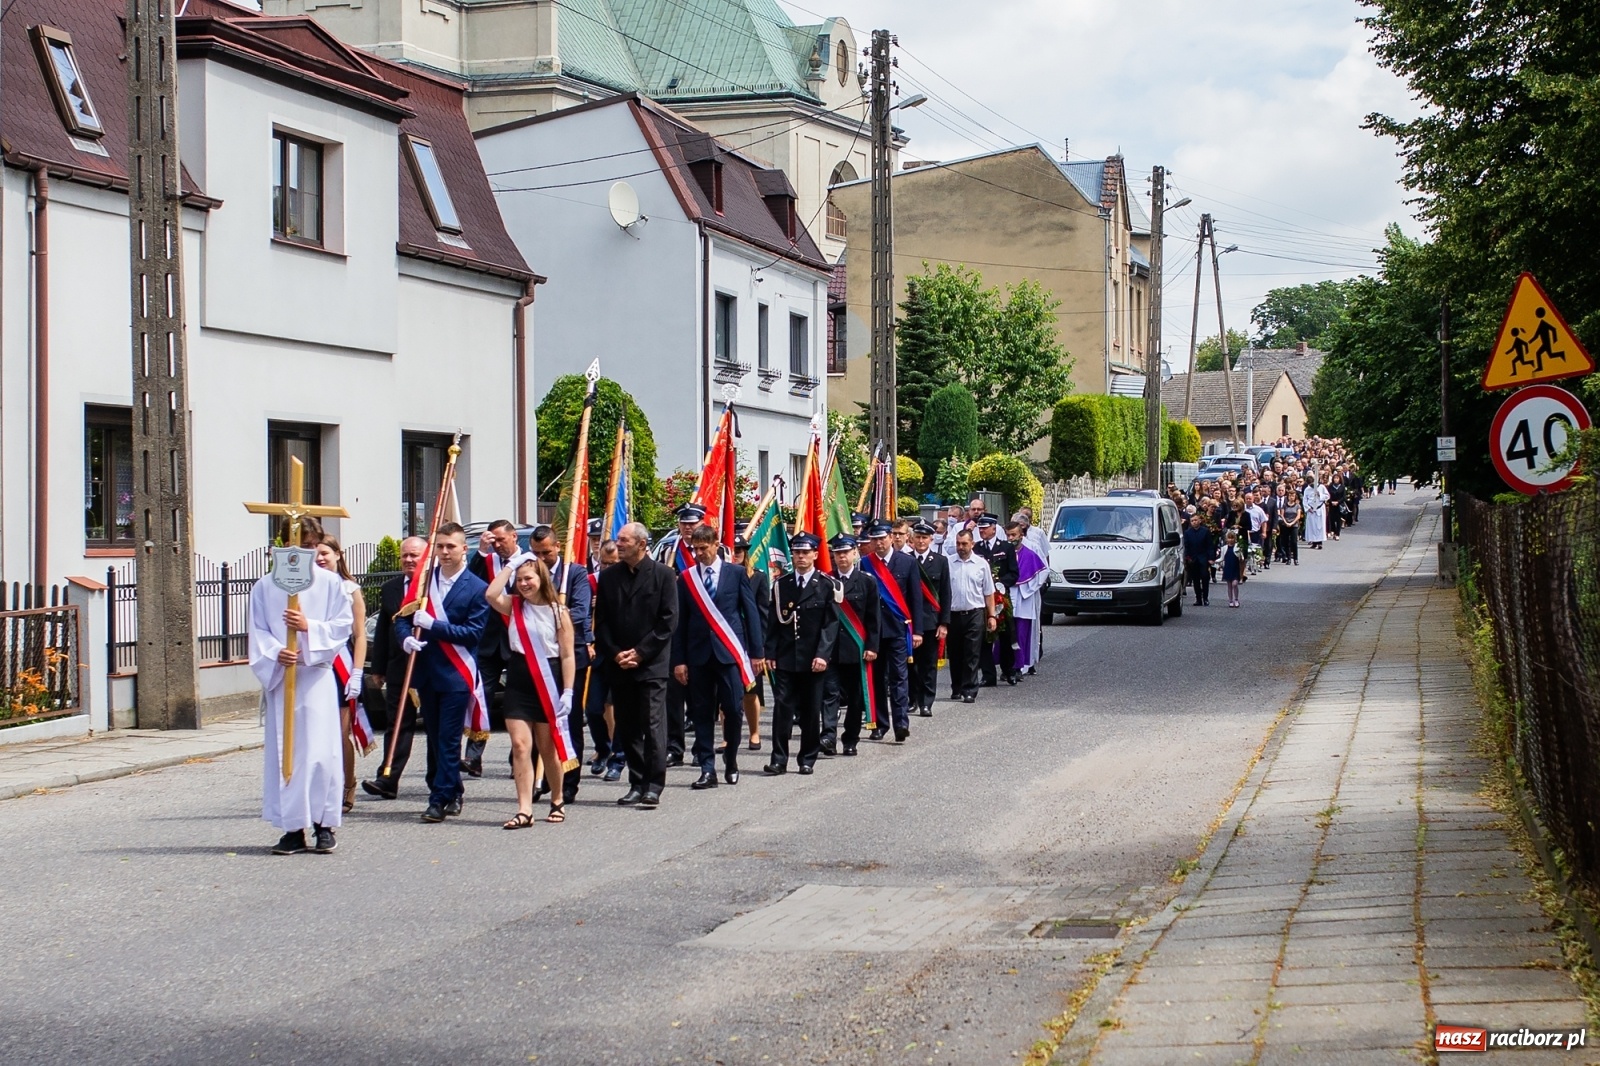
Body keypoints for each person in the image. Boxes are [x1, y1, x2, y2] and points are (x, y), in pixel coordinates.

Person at [250, 520, 354, 856]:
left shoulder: (330, 583)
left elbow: (342, 626)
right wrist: (275, 654)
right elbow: (258, 630)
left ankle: (324, 825)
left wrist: (310, 628)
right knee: (288, 755)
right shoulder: (265, 586)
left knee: (322, 754)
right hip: (284, 678)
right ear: (283, 543)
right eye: (299, 544)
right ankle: (293, 828)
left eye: (312, 546)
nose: (306, 553)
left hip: (316, 677)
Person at [394, 522, 490, 824]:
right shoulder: (423, 582)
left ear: (465, 549)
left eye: (451, 546)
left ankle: (438, 798)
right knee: (435, 739)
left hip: (456, 675)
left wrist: (434, 625)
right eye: (441, 547)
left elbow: (472, 633)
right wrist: (405, 638)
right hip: (426, 673)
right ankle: (453, 790)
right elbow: (402, 618)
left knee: (448, 739)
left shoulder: (477, 588)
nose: (445, 552)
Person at [485, 554, 576, 827]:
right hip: (519, 677)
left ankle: (557, 798)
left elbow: (568, 655)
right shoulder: (514, 607)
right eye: (520, 580)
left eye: (529, 578)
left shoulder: (558, 612)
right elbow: (490, 593)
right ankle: (524, 809)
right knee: (520, 746)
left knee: (547, 747)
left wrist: (568, 692)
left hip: (548, 678)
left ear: (541, 578)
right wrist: (512, 565)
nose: (524, 584)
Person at [672, 524, 762, 789]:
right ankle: (707, 769)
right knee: (701, 713)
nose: (699, 553)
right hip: (698, 655)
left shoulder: (735, 574)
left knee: (733, 709)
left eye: (703, 548)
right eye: (695, 549)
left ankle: (731, 760)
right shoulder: (687, 579)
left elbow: (751, 612)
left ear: (715, 545)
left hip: (729, 654)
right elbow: (681, 622)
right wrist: (679, 660)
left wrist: (757, 653)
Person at [595, 522, 678, 808]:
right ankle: (637, 781)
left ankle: (654, 785)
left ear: (642, 544)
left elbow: (668, 622)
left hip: (650, 665)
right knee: (628, 727)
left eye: (624, 540)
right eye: (617, 540)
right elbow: (602, 622)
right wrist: (617, 653)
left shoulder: (664, 576)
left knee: (653, 725)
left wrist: (640, 653)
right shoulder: (609, 578)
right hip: (619, 664)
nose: (618, 544)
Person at [760, 533, 838, 774]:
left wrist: (823, 655)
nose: (801, 557)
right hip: (785, 657)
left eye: (806, 552)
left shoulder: (826, 585)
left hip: (812, 659)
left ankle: (807, 758)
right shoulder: (782, 585)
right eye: (797, 552)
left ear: (815, 554)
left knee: (810, 710)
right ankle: (779, 759)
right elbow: (773, 621)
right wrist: (770, 652)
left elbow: (830, 624)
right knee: (782, 709)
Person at [527, 525, 592, 805]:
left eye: (547, 552)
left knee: (568, 721)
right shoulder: (529, 575)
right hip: (537, 657)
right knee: (536, 723)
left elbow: (579, 610)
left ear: (557, 548)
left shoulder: (573, 573)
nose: (542, 558)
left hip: (568, 656)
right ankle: (537, 779)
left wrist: (549, 618)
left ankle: (569, 782)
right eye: (536, 553)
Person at [363, 536, 428, 800]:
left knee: (435, 728)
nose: (409, 560)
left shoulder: (435, 584)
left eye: (415, 555)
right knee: (398, 722)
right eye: (405, 556)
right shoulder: (390, 588)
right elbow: (382, 631)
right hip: (399, 667)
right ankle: (387, 777)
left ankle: (440, 782)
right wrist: (378, 667)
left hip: (431, 666)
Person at [313, 535, 368, 815]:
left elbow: (359, 635)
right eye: (315, 554)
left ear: (338, 554)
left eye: (324, 552)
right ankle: (321, 787)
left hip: (341, 665)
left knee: (339, 733)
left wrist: (357, 673)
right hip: (314, 663)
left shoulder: (350, 589)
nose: (320, 558)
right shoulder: (307, 587)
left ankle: (347, 784)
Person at [464, 519, 520, 778]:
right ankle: (473, 757)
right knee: (481, 698)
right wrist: (482, 552)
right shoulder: (486, 562)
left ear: (514, 538)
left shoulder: (528, 562)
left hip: (518, 640)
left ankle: (517, 758)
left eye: (501, 540)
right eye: (493, 540)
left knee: (516, 700)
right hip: (488, 642)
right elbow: (469, 584)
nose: (498, 545)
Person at [860, 520, 925, 743]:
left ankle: (901, 723)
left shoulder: (907, 563)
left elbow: (916, 599)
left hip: (898, 629)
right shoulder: (864, 564)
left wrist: (917, 631)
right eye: (874, 539)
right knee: (877, 679)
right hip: (873, 633)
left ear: (891, 537)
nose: (879, 543)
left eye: (882, 538)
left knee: (899, 677)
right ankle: (879, 724)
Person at [821, 534, 879, 756]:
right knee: (830, 693)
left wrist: (872, 647)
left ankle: (850, 738)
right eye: (837, 553)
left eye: (845, 552)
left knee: (855, 698)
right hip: (831, 649)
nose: (841, 557)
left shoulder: (867, 581)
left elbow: (874, 618)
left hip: (857, 649)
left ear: (855, 553)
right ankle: (828, 736)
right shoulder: (825, 580)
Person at [584, 539, 628, 782]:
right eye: (604, 563)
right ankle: (602, 748)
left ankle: (618, 758)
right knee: (592, 708)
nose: (608, 568)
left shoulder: (627, 582)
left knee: (622, 710)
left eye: (613, 563)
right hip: (598, 655)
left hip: (621, 654)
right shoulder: (590, 583)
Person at [945, 530, 997, 703]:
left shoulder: (981, 564)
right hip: (953, 614)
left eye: (964, 544)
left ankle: (970, 689)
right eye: (958, 544)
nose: (961, 547)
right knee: (955, 652)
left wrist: (992, 616)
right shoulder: (948, 563)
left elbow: (989, 593)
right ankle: (957, 686)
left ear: (972, 544)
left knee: (972, 652)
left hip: (974, 613)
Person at [907, 521, 950, 716]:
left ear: (931, 539)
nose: (921, 541)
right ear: (912, 538)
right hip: (909, 622)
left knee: (928, 664)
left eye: (925, 537)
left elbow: (946, 593)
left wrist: (944, 622)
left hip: (931, 621)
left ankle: (926, 702)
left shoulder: (940, 561)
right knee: (910, 664)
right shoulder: (905, 560)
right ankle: (912, 699)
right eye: (918, 537)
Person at [972, 514, 1019, 685]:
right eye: (980, 528)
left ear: (994, 528)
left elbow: (1014, 573)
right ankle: (988, 674)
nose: (982, 530)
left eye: (985, 527)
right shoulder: (976, 548)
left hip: (1001, 597)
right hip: (982, 597)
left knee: (1006, 635)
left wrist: (1000, 583)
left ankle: (1009, 670)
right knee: (985, 637)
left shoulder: (1005, 547)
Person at [730, 536, 766, 753]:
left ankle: (754, 732)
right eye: (732, 551)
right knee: (725, 692)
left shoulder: (757, 578)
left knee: (750, 690)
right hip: (726, 640)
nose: (735, 555)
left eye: (739, 551)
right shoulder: (719, 576)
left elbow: (762, 616)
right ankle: (727, 736)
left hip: (748, 643)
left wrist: (760, 648)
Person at [1005, 520, 1047, 677]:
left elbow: (1043, 570)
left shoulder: (1031, 550)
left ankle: (1022, 665)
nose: (1010, 538)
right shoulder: (1002, 551)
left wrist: (1029, 587)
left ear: (1021, 535)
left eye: (1013, 535)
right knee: (1007, 632)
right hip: (1006, 594)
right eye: (1008, 535)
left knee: (1022, 632)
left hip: (1025, 597)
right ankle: (1007, 665)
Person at [1182, 512, 1215, 607]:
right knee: (1195, 579)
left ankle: (1205, 598)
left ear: (1200, 521)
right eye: (1192, 521)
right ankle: (1198, 599)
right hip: (1192, 559)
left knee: (1205, 577)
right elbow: (1186, 546)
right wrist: (1187, 557)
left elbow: (1209, 546)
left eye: (1196, 520)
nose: (1194, 522)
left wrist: (1211, 558)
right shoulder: (1188, 533)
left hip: (1203, 558)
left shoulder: (1205, 531)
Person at [1302, 474, 1328, 549]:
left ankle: (1320, 542)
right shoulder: (1307, 489)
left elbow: (1327, 496)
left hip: (1320, 508)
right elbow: (1305, 500)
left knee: (1320, 526)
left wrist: (1320, 495)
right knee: (1312, 526)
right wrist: (1308, 508)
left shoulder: (1321, 487)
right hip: (1311, 509)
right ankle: (1313, 542)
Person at [1221, 529, 1243, 608]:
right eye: (1229, 538)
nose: (1230, 539)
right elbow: (1221, 558)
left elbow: (1241, 557)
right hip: (1227, 567)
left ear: (1235, 538)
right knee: (1229, 585)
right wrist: (1214, 561)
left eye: (1232, 538)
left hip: (1235, 567)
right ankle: (1230, 600)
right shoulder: (1224, 548)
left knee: (1234, 584)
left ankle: (1236, 599)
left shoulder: (1238, 547)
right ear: (1226, 539)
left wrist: (1241, 557)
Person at [1280, 491, 1302, 565]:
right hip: (1286, 525)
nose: (1291, 497)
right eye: (1290, 496)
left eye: (1293, 496)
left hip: (1294, 525)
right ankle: (1288, 558)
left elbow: (1298, 516)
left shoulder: (1297, 506)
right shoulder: (1284, 505)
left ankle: (1295, 558)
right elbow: (1282, 514)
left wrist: (1292, 523)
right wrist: (1286, 522)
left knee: (1294, 542)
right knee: (1286, 542)